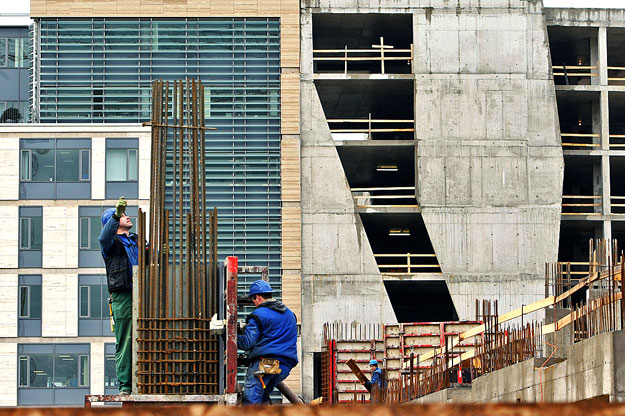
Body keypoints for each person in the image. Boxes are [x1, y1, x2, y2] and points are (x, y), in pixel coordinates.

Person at [99, 196, 138, 397]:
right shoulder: (110, 244)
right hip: (123, 295)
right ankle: (125, 385)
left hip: (143, 294)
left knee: (144, 334)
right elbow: (103, 238)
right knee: (125, 339)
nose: (127, 216)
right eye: (122, 216)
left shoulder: (137, 241)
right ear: (113, 223)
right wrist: (115, 215)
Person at [237, 280, 298, 404]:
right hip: (284, 366)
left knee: (251, 400)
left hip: (266, 363)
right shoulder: (290, 314)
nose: (253, 303)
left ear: (258, 297)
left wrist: (230, 334)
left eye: (253, 299)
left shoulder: (259, 314)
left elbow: (246, 343)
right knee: (263, 398)